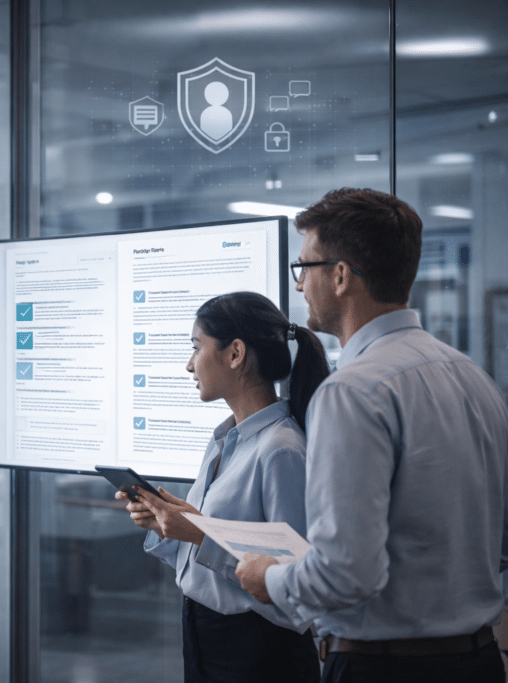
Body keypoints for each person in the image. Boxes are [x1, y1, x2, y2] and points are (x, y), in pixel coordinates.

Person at [236, 188, 508, 683]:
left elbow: (345, 573)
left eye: (304, 269)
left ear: (339, 276)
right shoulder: (474, 378)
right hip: (480, 662)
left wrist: (268, 578)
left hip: (384, 667)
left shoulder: (354, 391)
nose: (299, 287)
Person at [117, 291, 330, 683]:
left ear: (235, 354)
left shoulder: (282, 450)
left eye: (196, 348)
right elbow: (214, 551)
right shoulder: (224, 441)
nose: (188, 365)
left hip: (259, 651)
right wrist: (168, 522)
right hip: (204, 633)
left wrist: (200, 533)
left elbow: (295, 575)